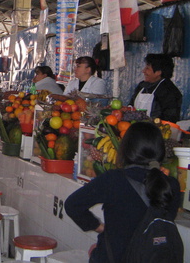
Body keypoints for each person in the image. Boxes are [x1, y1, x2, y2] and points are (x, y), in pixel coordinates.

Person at [64, 122, 181, 263]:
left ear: (126, 149)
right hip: (153, 257)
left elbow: (72, 205)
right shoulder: (171, 184)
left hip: (113, 257)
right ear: (160, 150)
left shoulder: (113, 179)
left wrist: (100, 227)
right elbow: (166, 218)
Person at [129, 53, 182, 123]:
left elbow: (170, 119)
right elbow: (131, 106)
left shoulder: (170, 92)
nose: (143, 71)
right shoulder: (142, 86)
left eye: (147, 68)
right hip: (136, 128)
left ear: (158, 72)